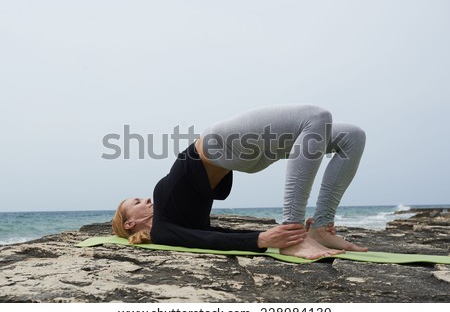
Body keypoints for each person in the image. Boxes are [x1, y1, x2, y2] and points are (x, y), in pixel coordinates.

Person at [112, 104, 367, 260]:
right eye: (136, 202)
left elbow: (210, 236)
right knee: (316, 117)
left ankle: (321, 228)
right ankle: (295, 233)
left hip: (224, 149)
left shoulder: (171, 222)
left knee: (352, 137)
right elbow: (208, 240)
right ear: (130, 222)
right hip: (232, 152)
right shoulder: (163, 230)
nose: (145, 198)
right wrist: (263, 239)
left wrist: (260, 237)